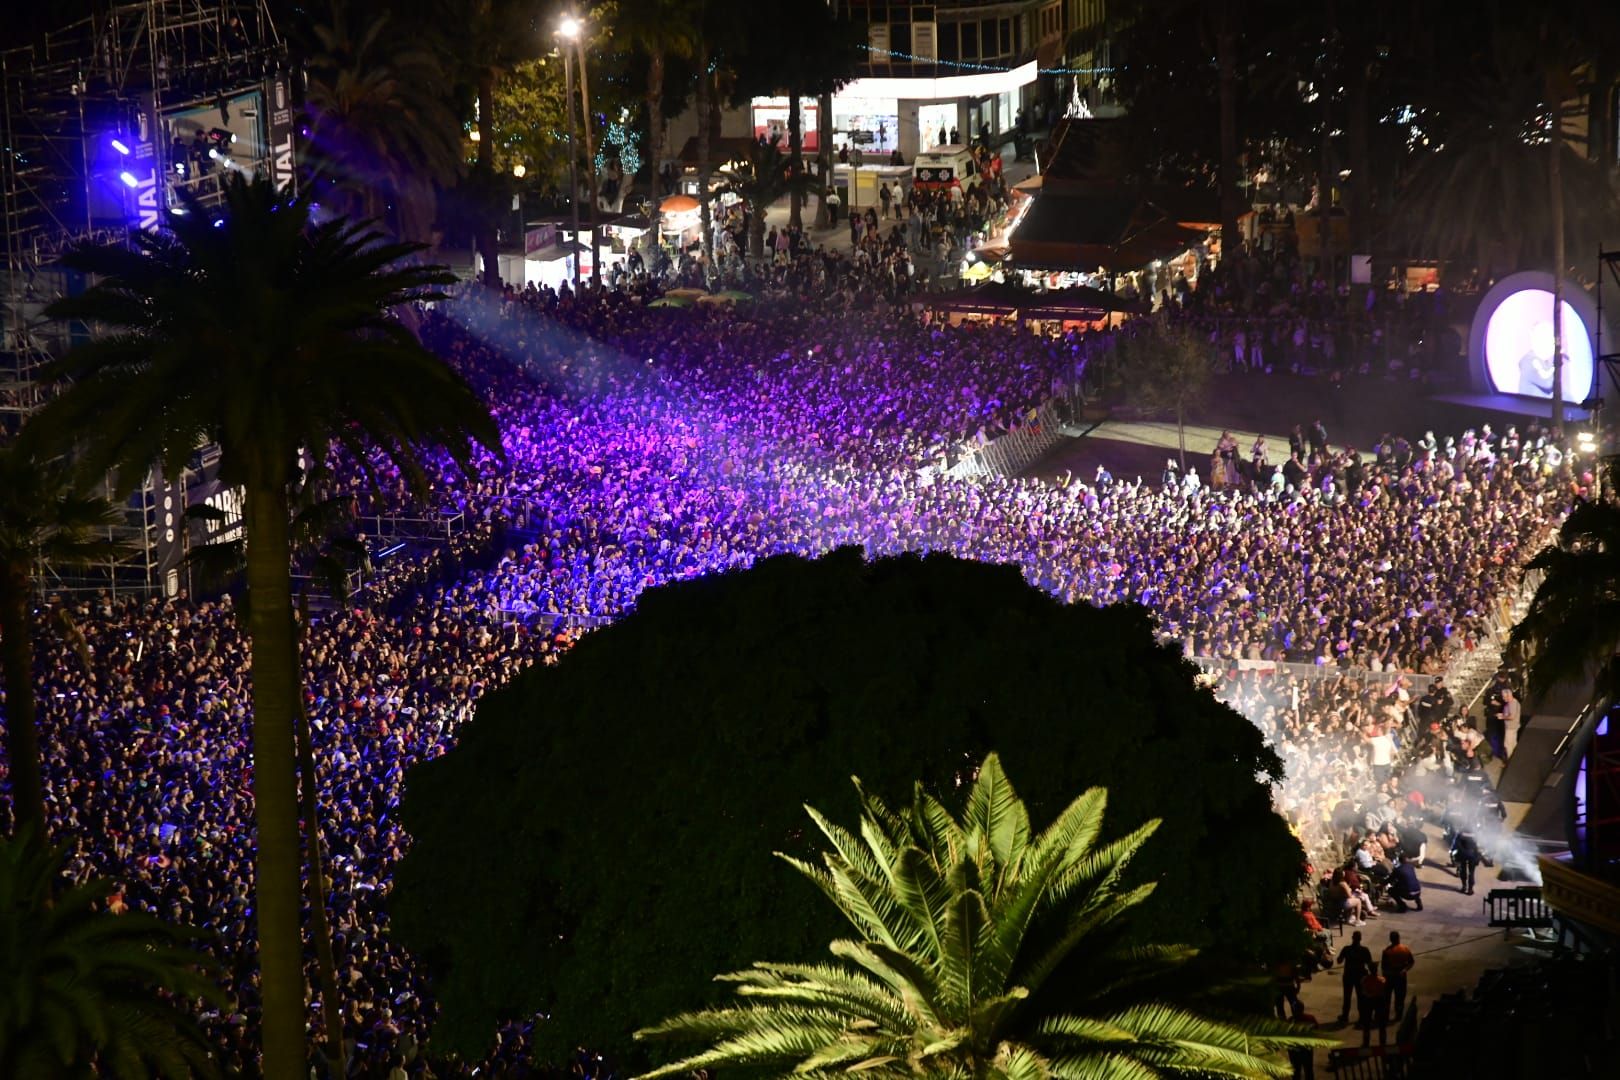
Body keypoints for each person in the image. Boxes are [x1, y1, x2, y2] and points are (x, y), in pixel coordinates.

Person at [1336, 929, 1373, 1023]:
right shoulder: (1365, 950)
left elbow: (1339, 960)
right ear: (1360, 939)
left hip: (1348, 975)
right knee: (1361, 997)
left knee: (1347, 997)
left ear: (1352, 938)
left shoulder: (1346, 949)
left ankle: (1345, 1016)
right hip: (1360, 976)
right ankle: (1361, 1017)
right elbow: (1369, 964)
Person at [1381, 931, 1415, 1019]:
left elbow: (1383, 966)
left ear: (1390, 939)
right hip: (1401, 976)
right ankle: (1399, 1015)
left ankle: (1385, 1014)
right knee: (1400, 996)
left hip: (1389, 976)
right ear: (1399, 938)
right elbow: (1411, 962)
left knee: (1387, 997)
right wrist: (1405, 970)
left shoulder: (1386, 951)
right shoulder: (1405, 949)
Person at [1357, 967, 1390, 1046]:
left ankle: (1366, 1042)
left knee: (1367, 1024)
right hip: (1379, 1001)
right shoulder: (1382, 980)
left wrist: (1369, 994)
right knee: (1382, 1025)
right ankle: (1383, 1042)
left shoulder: (1364, 979)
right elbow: (1384, 991)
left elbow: (1363, 991)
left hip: (1368, 1001)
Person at [1452, 822, 1482, 895]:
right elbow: (1479, 847)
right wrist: (1478, 857)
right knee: (1471, 873)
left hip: (1462, 855)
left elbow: (1456, 844)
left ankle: (1464, 887)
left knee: (1463, 871)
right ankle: (1470, 889)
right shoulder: (1476, 834)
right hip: (1472, 855)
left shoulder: (1460, 833)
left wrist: (1457, 854)